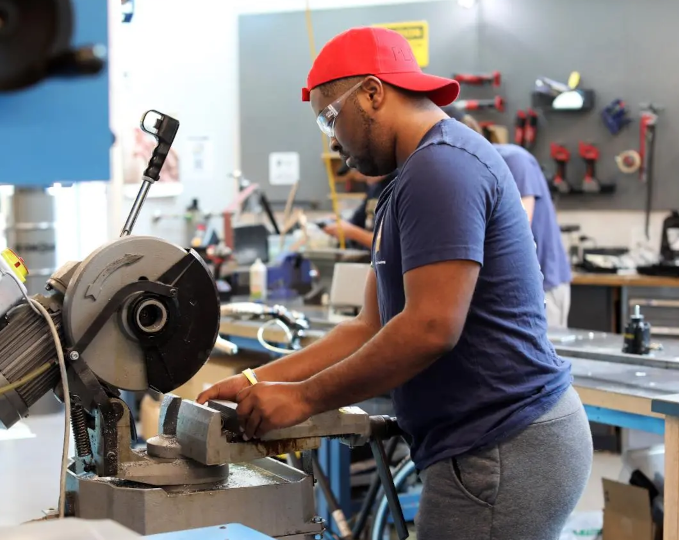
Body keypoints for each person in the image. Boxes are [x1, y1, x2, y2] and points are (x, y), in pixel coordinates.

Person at [198, 26, 592, 540]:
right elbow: (370, 326)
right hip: (488, 442)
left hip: (503, 445)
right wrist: (261, 380)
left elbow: (431, 328)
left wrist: (303, 399)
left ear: (373, 92)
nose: (334, 141)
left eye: (330, 118)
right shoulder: (408, 178)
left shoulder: (441, 168)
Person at [443, 107, 574, 327]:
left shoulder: (514, 160)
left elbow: (517, 230)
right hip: (504, 291)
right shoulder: (469, 175)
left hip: (541, 287)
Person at [321, 168, 398, 249]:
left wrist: (352, 232)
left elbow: (388, 243)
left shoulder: (396, 186)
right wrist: (339, 222)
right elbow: (357, 220)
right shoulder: (374, 188)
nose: (356, 175)